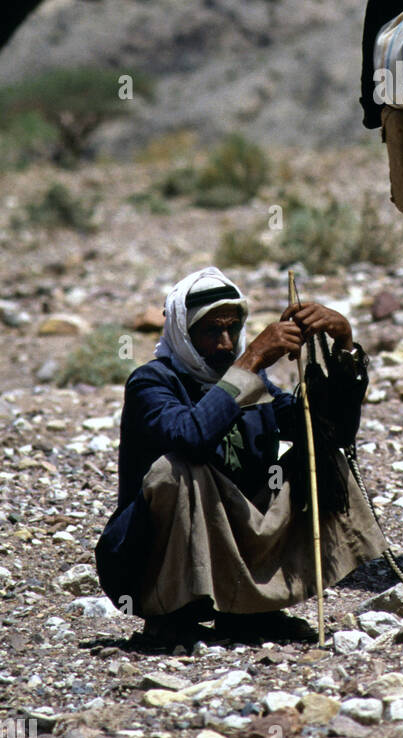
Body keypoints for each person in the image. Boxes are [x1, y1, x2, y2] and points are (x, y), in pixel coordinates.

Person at [95, 266, 385, 649]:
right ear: (184, 332)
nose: (225, 344)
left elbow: (330, 433)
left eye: (232, 330)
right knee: (177, 471)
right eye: (211, 331)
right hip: (148, 561)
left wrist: (344, 344)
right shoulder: (152, 383)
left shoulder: (255, 385)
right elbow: (192, 435)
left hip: (237, 538)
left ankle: (249, 611)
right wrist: (251, 360)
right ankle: (171, 616)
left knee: (314, 456)